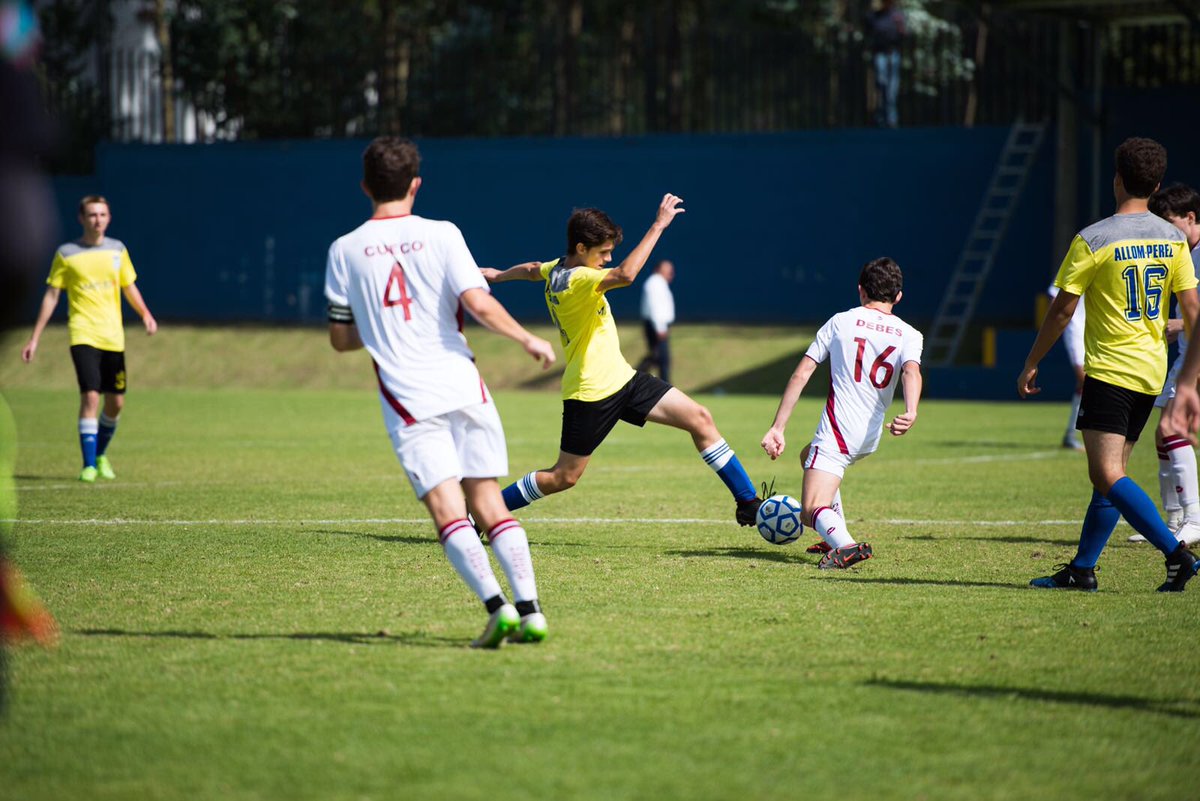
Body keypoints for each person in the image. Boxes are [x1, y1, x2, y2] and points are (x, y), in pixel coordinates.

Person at [325, 136, 557, 648]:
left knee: (449, 513)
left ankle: (498, 609)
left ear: (364, 186)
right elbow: (478, 301)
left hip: (409, 401)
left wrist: (379, 326)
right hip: (463, 385)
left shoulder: (344, 250)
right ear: (416, 184)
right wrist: (525, 337)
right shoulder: (444, 233)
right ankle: (533, 611)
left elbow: (341, 339)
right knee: (490, 505)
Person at [481, 196, 763, 526]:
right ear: (582, 248)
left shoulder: (558, 268)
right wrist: (659, 224)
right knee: (564, 477)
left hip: (624, 379)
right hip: (590, 392)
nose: (609, 258)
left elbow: (531, 270)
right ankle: (488, 511)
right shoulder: (579, 280)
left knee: (700, 418)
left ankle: (747, 501)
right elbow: (627, 275)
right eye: (603, 252)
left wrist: (497, 275)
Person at [1018, 137, 1200, 592]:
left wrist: (1032, 361)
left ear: (1116, 179)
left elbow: (1062, 310)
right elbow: (1193, 311)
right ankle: (1082, 568)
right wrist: (1192, 377)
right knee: (1111, 474)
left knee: (1106, 473)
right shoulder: (1173, 237)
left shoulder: (1094, 238)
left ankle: (1177, 556)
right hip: (1151, 369)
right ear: (1156, 184)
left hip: (1112, 369)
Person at [760, 257, 923, 569]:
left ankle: (845, 545)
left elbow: (801, 373)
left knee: (809, 509)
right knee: (808, 454)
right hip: (868, 435)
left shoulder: (841, 322)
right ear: (898, 296)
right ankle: (831, 533)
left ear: (860, 290)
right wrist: (911, 411)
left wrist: (778, 427)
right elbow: (911, 372)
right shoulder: (909, 333)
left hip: (839, 430)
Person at [21, 196, 158, 483]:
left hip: (113, 336)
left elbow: (128, 285)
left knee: (116, 403)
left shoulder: (117, 250)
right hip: (83, 332)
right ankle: (88, 466)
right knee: (90, 396)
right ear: (81, 218)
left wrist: (145, 313)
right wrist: (35, 338)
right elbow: (52, 295)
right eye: (92, 214)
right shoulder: (67, 254)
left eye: (103, 214)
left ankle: (100, 453)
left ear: (109, 218)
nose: (98, 219)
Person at [1129, 183, 1200, 547]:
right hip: (1186, 356)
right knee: (1164, 434)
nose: (1166, 231)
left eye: (1170, 223)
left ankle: (1193, 519)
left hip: (1195, 361)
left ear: (1190, 217)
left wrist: (1178, 324)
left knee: (1173, 429)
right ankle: (1172, 521)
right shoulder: (1181, 251)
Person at [1046, 284, 1086, 450]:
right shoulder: (1078, 262)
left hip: (1096, 330)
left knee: (1086, 384)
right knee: (1085, 380)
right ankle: (1074, 434)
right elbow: (1054, 297)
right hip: (1075, 329)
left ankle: (1071, 435)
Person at [866, 0, 905, 129]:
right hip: (880, 53)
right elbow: (868, 28)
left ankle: (891, 119)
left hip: (892, 53)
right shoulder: (875, 16)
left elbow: (904, 33)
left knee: (891, 89)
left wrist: (900, 26)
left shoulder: (896, 15)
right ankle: (881, 117)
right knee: (881, 83)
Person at [635, 259, 675, 383]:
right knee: (662, 359)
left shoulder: (659, 283)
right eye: (667, 270)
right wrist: (660, 328)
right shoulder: (655, 284)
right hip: (656, 326)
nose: (670, 273)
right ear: (658, 269)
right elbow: (655, 307)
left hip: (657, 325)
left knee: (656, 357)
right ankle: (666, 387)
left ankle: (634, 381)